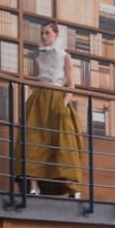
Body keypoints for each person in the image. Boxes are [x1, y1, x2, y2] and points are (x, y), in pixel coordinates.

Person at [17, 21, 83, 199]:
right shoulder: (38, 57)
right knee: (33, 140)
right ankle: (34, 184)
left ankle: (73, 187)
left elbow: (71, 85)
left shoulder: (65, 56)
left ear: (56, 35)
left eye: (47, 33)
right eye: (42, 33)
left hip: (57, 99)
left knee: (63, 140)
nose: (44, 36)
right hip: (39, 99)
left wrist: (63, 104)